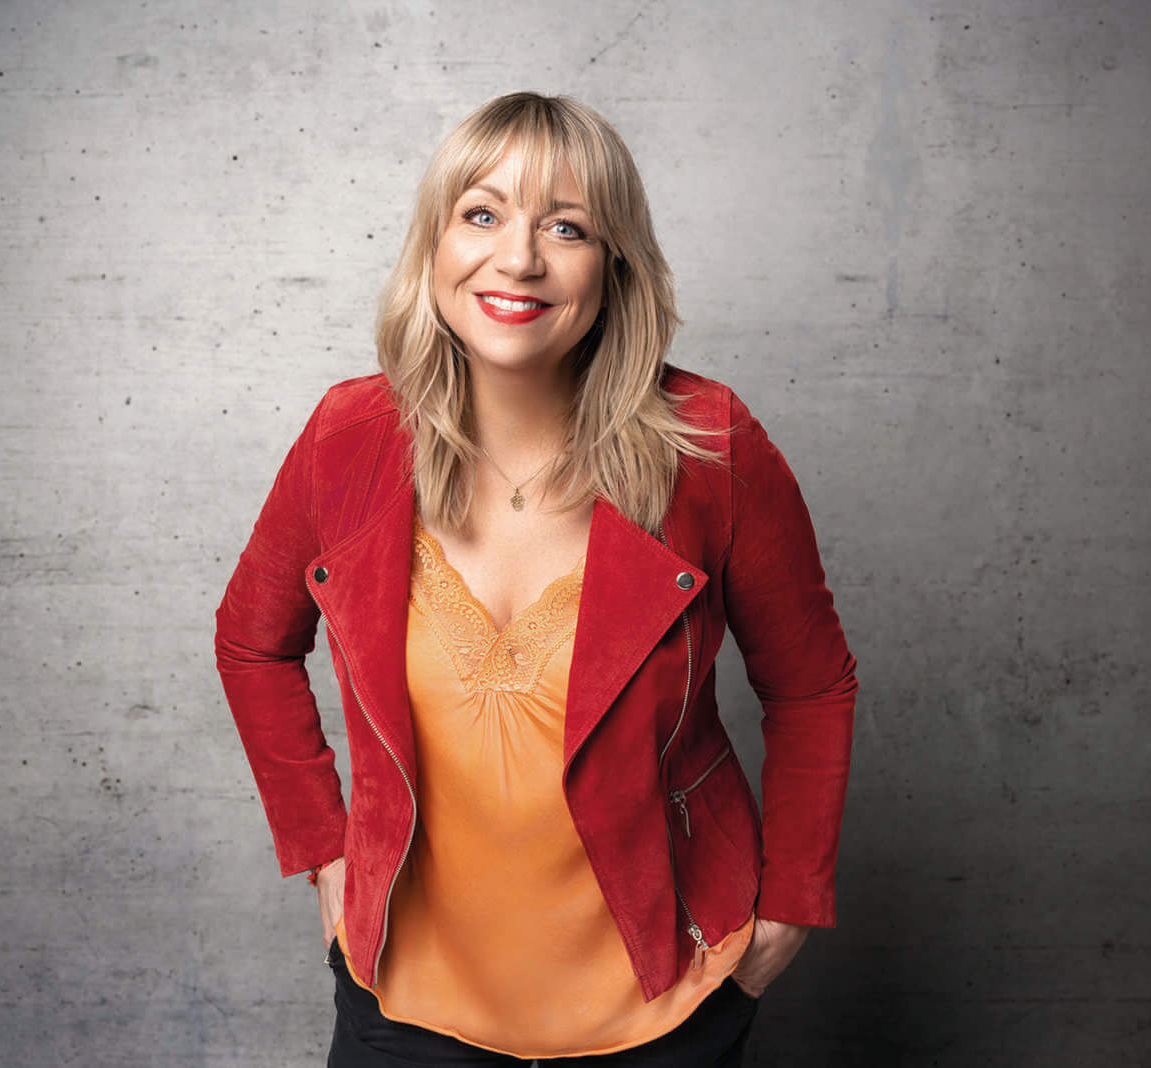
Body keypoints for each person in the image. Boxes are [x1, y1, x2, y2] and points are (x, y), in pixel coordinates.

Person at [214, 92, 858, 1067]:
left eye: (566, 228)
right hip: (405, 1006)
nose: (517, 259)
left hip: (666, 1006)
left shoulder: (712, 448)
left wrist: (792, 902)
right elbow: (251, 644)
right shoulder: (347, 438)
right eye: (481, 214)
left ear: (615, 265)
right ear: (433, 244)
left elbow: (810, 685)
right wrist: (324, 850)